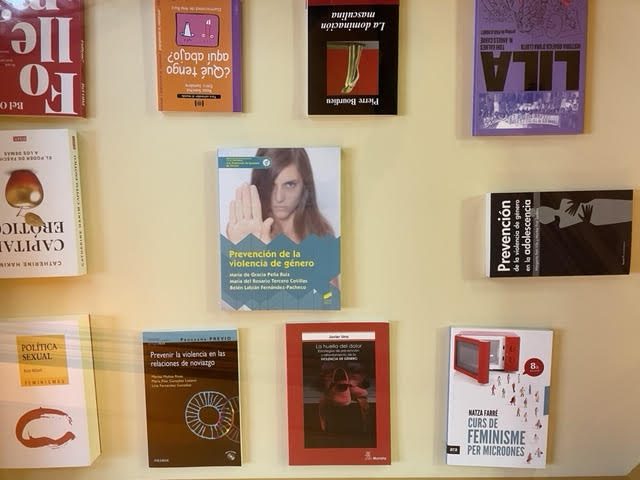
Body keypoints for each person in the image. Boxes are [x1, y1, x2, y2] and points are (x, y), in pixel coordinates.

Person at [225, 148, 334, 244]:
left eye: (289, 185)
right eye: (271, 185)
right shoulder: (243, 230)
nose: (279, 198)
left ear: (305, 185)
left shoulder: (322, 235)